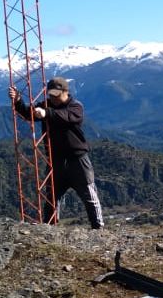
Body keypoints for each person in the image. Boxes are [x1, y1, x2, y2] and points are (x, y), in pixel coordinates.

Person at [9, 77, 104, 228]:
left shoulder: (75, 107)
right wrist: (18, 100)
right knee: (51, 198)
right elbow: (28, 114)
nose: (52, 98)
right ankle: (49, 228)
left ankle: (98, 228)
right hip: (55, 161)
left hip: (77, 160)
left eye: (56, 94)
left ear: (66, 92)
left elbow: (66, 117)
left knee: (89, 195)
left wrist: (46, 113)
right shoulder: (47, 106)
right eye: (50, 94)